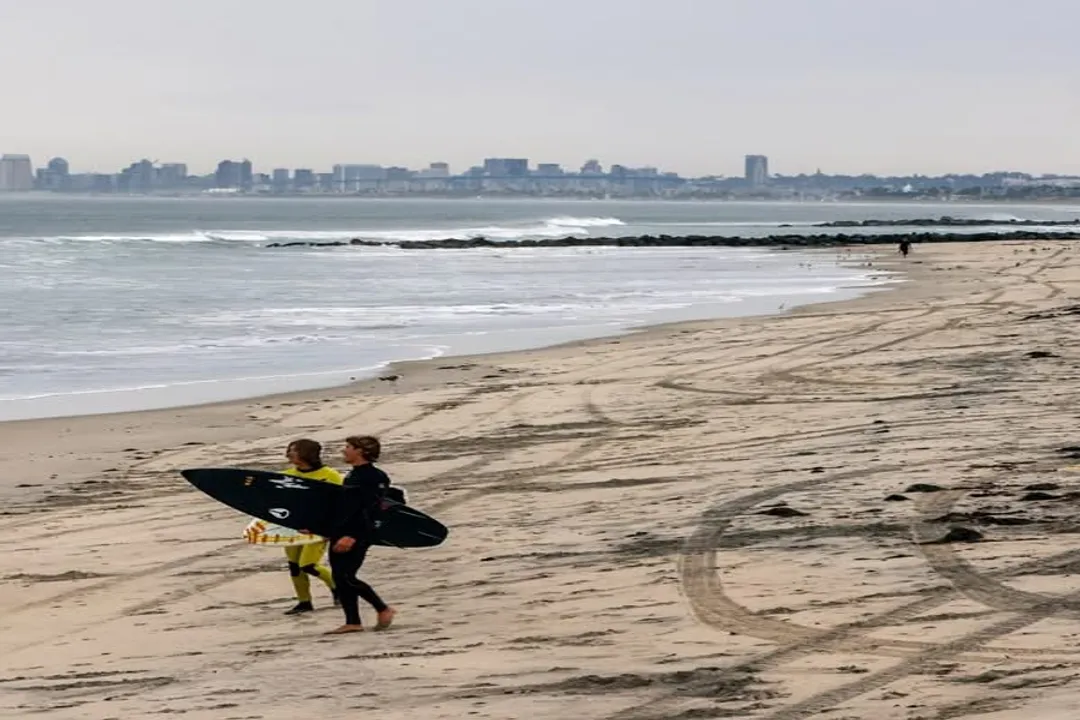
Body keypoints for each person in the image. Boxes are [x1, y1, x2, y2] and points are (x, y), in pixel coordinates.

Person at [324, 434, 397, 634]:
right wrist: (325, 529)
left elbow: (371, 509)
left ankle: (383, 609)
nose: (343, 450)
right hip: (340, 532)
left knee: (346, 577)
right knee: (340, 577)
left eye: (348, 446)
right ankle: (352, 621)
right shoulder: (352, 475)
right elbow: (344, 508)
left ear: (361, 451)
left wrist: (352, 536)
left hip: (358, 533)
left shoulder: (374, 477)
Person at [280, 438, 344, 615]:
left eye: (294, 450)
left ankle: (337, 589)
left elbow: (340, 504)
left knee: (307, 564)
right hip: (294, 528)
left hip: (319, 528)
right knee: (294, 566)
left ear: (306, 453)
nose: (289, 453)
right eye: (290, 449)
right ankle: (304, 602)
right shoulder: (287, 475)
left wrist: (330, 528)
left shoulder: (330, 475)